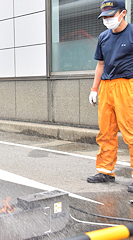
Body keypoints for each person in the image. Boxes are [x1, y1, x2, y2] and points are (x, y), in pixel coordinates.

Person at [87, 0, 133, 191]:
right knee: (106, 131)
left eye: (110, 15)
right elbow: (101, 65)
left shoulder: (132, 33)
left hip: (127, 85)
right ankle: (105, 171)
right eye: (104, 16)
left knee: (131, 132)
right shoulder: (103, 37)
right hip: (106, 87)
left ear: (123, 13)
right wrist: (94, 89)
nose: (107, 20)